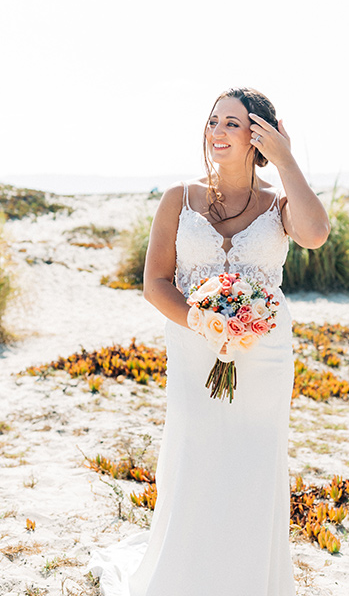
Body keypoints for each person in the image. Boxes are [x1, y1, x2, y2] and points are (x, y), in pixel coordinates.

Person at [89, 87, 330, 596]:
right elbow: (155, 283)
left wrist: (286, 159)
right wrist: (203, 324)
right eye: (212, 122)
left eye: (231, 124)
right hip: (194, 350)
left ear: (257, 136)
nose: (216, 132)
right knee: (196, 455)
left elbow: (314, 234)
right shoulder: (180, 198)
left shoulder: (279, 204)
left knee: (253, 461)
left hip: (263, 358)